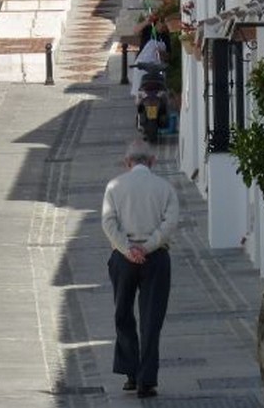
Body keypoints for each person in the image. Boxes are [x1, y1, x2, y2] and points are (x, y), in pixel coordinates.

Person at [101, 144, 180, 399]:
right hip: (155, 257)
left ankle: (130, 373)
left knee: (123, 314)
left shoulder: (114, 186)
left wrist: (128, 248)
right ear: (153, 161)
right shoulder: (164, 188)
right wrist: (148, 246)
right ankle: (147, 380)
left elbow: (108, 221)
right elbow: (170, 222)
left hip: (123, 258)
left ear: (127, 162)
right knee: (151, 319)